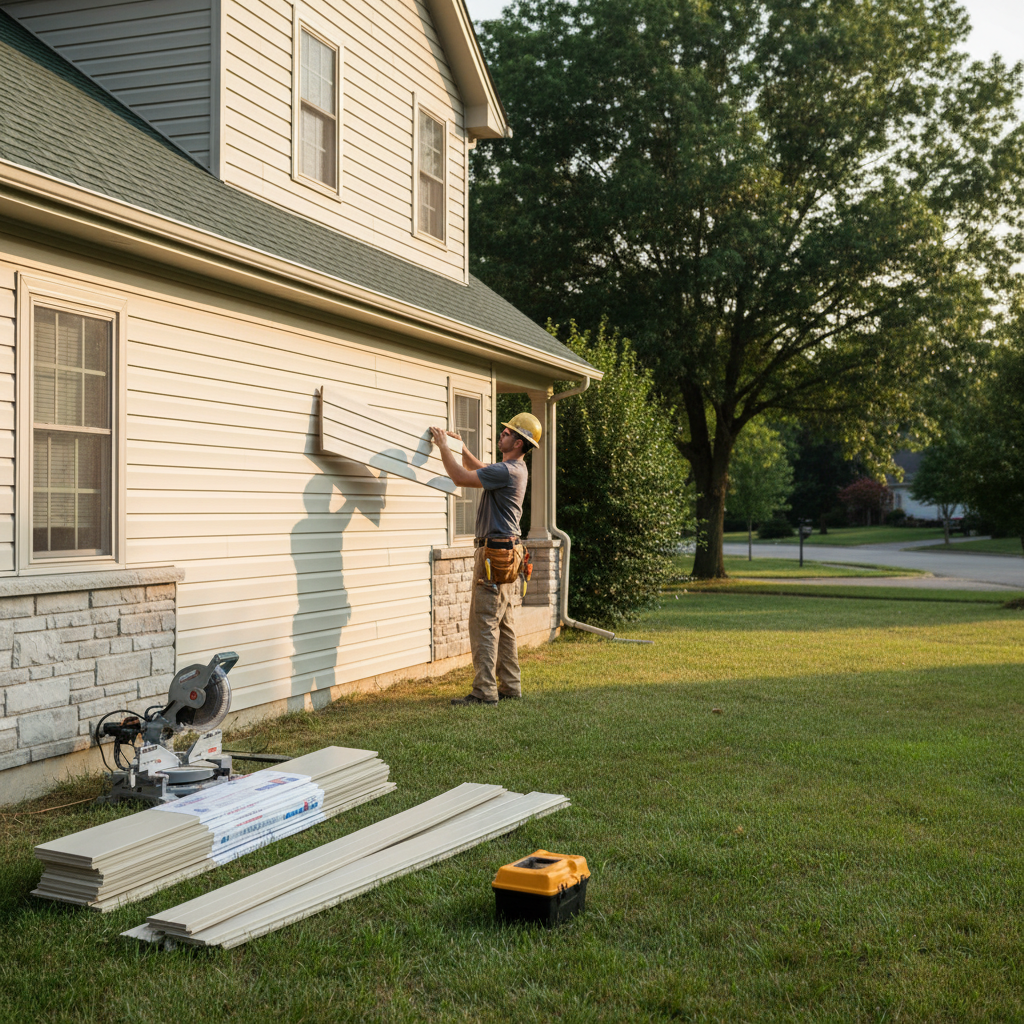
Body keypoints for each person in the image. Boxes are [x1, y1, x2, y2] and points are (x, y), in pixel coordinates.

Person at [429, 413, 542, 705]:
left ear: (518, 443)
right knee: (503, 622)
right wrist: (462, 449)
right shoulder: (514, 469)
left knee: (484, 622)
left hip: (494, 555)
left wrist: (443, 446)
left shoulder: (507, 471)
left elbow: (460, 477)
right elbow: (478, 468)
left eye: (507, 433)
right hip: (507, 553)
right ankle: (510, 686)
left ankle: (484, 691)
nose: (502, 434)